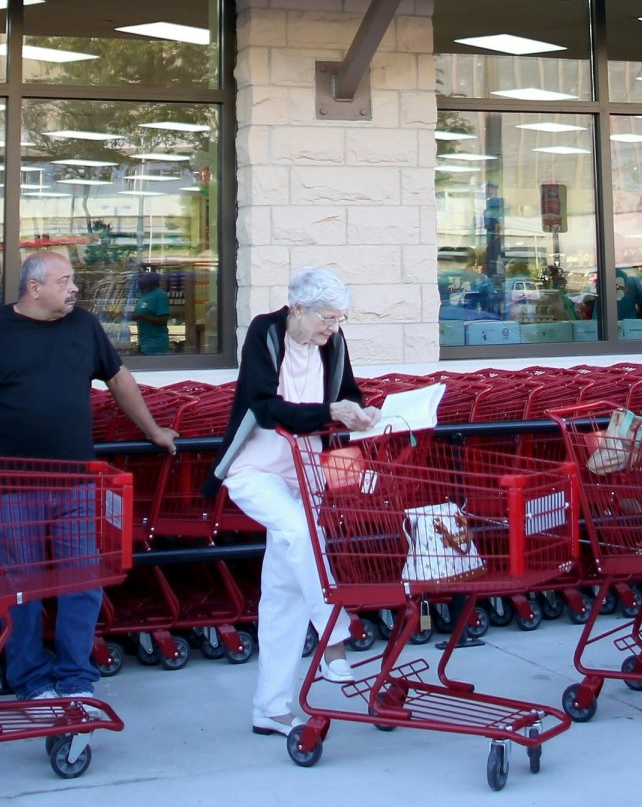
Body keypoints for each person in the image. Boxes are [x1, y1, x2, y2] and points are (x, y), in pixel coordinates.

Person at [209, 267, 381, 738]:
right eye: (327, 317)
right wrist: (326, 412)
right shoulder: (266, 332)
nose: (333, 328)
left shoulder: (334, 342)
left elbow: (348, 392)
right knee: (303, 533)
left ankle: (271, 708)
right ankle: (335, 641)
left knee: (284, 595)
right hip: (254, 470)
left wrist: (359, 412)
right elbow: (264, 406)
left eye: (340, 318)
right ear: (298, 309)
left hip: (304, 475)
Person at [0, 251, 176, 703]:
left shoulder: (84, 327)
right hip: (14, 486)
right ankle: (29, 681)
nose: (75, 288)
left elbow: (119, 380)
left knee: (83, 581)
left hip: (78, 480)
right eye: (65, 280)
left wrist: (153, 430)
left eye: (73, 279)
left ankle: (75, 677)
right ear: (34, 288)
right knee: (22, 588)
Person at [132, 268, 174, 357]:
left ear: (150, 282)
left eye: (143, 278)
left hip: (155, 345)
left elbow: (163, 321)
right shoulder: (144, 295)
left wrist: (140, 316)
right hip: (143, 343)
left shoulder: (160, 295)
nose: (140, 281)